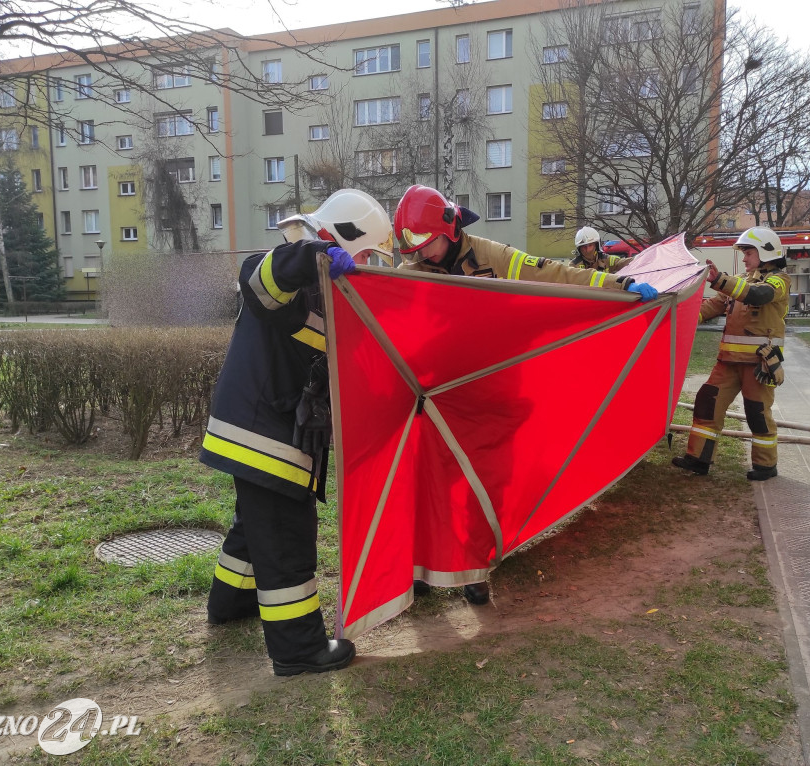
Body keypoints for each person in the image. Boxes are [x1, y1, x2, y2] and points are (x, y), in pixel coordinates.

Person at [394, 184, 660, 605]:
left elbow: (552, 274)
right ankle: (424, 566)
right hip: (443, 395)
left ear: (450, 228)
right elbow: (389, 306)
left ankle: (474, 568)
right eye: (415, 247)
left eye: (428, 244)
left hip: (496, 391)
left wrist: (616, 284)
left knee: (488, 483)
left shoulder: (492, 256)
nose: (422, 253)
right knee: (434, 482)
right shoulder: (412, 270)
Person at [200, 189, 395, 677]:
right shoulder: (289, 273)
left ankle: (229, 603)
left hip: (262, 434)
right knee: (286, 538)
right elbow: (260, 278)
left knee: (255, 527)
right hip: (266, 437)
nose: (365, 267)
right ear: (341, 242)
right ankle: (299, 648)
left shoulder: (327, 298)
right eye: (364, 255)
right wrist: (314, 257)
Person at [671, 226, 789, 482]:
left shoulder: (779, 281)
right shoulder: (740, 281)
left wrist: (721, 280)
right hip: (727, 362)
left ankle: (766, 466)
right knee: (707, 403)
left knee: (757, 413)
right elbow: (711, 307)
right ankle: (698, 459)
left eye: (748, 252)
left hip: (758, 364)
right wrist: (680, 318)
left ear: (766, 253)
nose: (744, 258)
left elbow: (758, 295)